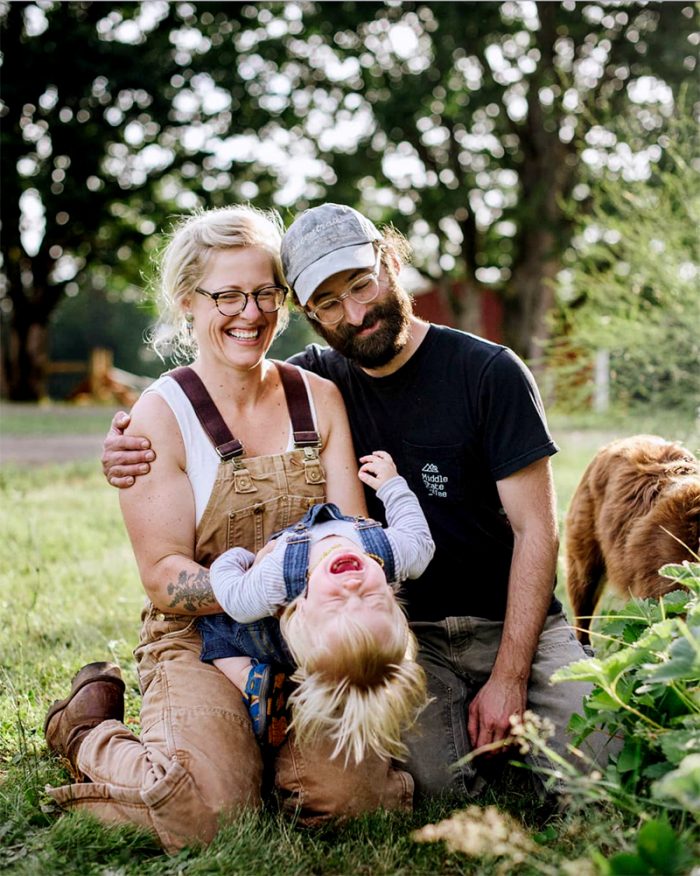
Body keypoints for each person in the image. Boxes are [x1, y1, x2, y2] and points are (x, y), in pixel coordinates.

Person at [102, 203, 615, 800]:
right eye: (326, 302)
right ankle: (150, 740)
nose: (354, 312)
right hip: (345, 628)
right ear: (310, 312)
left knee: (595, 767)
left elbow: (530, 533)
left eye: (362, 283)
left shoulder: (475, 375)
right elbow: (223, 392)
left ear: (390, 262)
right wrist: (124, 445)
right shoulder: (298, 386)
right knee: (421, 788)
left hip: (467, 624)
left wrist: (509, 675)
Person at [43, 205, 415, 855]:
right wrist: (268, 581)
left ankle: (255, 760)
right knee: (208, 815)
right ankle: (87, 735)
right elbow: (164, 578)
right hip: (198, 638)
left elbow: (351, 530)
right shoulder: (161, 414)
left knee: (356, 801)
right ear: (189, 301)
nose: (252, 312)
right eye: (229, 295)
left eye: (266, 293)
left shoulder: (317, 398)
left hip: (314, 636)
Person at [198, 449, 434, 764]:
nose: (353, 588)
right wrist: (392, 485)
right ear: (391, 596)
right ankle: (283, 685)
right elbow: (419, 537)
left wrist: (246, 560)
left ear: (303, 610)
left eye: (337, 602)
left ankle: (248, 679)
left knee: (216, 633)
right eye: (370, 598)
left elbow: (233, 598)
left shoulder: (274, 577)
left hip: (267, 639)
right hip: (312, 648)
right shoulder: (395, 552)